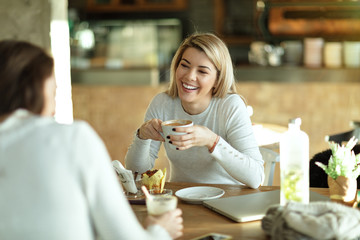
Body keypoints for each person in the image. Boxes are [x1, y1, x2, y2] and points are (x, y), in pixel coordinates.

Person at [0, 40, 183, 240]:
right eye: (54, 93)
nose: (53, 108)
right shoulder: (74, 138)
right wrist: (160, 230)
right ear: (34, 91)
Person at [125, 32, 264, 189]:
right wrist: (142, 136)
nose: (190, 76)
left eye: (202, 71)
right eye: (184, 65)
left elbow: (256, 177)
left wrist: (212, 141)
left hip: (227, 199)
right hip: (181, 198)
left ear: (218, 80)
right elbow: (136, 173)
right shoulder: (162, 103)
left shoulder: (230, 106)